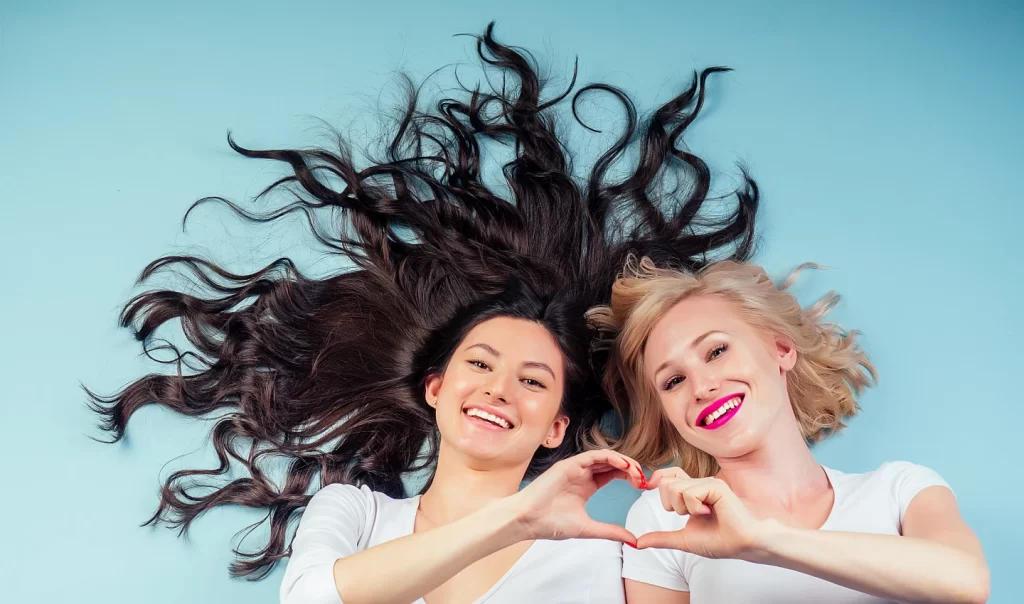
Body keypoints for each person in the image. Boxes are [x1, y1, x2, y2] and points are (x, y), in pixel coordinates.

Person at [87, 23, 758, 603]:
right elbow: (316, 597)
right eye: (481, 364)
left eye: (532, 380)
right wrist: (516, 519)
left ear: (556, 427)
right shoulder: (353, 512)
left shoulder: (604, 557)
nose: (499, 388)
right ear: (435, 388)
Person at [587, 257, 990, 603]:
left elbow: (966, 582)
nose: (702, 387)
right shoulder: (665, 521)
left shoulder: (901, 490)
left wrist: (761, 541)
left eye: (716, 351)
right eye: (673, 381)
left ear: (780, 349)